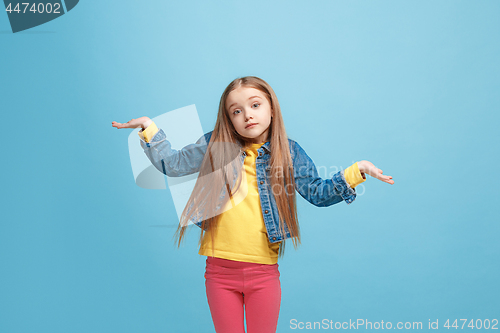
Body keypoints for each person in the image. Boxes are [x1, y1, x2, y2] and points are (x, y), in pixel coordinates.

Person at [112, 76, 394, 333]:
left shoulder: (289, 151)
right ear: (229, 120)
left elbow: (318, 193)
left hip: (264, 274)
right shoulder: (216, 144)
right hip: (219, 273)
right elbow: (172, 165)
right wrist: (149, 129)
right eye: (236, 111)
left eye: (255, 105)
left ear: (271, 109)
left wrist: (357, 171)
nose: (247, 114)